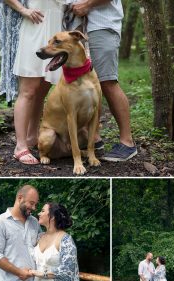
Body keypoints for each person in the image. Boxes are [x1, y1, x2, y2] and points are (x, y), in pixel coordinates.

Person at [0, 0, 65, 165]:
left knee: (42, 90)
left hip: (56, 29)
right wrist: (22, 9)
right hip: (34, 26)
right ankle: (20, 146)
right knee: (28, 90)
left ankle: (32, 137)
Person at [71, 0, 137, 161]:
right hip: (81, 29)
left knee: (107, 81)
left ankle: (127, 143)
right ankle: (94, 138)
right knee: (90, 86)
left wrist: (86, 5)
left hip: (101, 26)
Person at [0, 185, 41, 281]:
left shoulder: (34, 222)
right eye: (31, 203)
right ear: (20, 198)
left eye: (36, 204)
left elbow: (40, 244)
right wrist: (19, 272)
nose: (34, 208)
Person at [29, 202, 80, 281]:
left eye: (43, 211)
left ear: (52, 217)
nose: (39, 213)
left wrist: (42, 274)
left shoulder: (66, 240)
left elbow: (68, 270)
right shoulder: (40, 237)